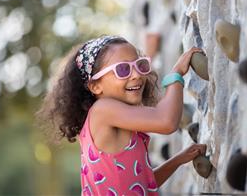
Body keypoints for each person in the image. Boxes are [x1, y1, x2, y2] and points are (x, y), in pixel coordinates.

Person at [37, 35, 206, 195]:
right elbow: (167, 121)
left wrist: (178, 160)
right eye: (123, 69)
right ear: (95, 86)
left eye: (140, 65)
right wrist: (175, 75)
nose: (137, 75)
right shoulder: (103, 110)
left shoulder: (112, 118)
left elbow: (141, 185)